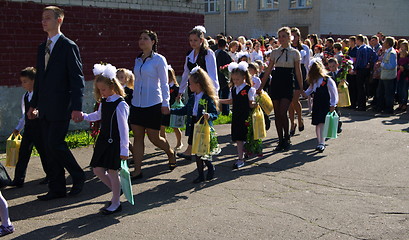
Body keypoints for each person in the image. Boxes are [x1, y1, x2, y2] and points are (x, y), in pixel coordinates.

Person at [28, 6, 85, 201]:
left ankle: (78, 175)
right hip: (44, 107)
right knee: (48, 147)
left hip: (62, 106)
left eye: (48, 18)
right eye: (42, 18)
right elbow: (40, 80)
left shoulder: (68, 46)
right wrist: (33, 104)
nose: (43, 21)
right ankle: (57, 188)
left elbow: (77, 79)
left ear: (59, 20)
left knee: (55, 144)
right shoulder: (41, 47)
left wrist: (77, 107)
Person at [80, 63, 129, 215]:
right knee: (97, 169)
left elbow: (124, 128)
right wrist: (85, 116)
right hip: (103, 140)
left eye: (104, 89)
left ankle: (116, 202)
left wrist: (124, 148)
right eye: (99, 90)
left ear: (113, 86)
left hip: (114, 142)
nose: (101, 92)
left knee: (113, 172)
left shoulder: (120, 104)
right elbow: (99, 116)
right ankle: (117, 190)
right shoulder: (104, 102)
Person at [129, 30, 176, 179]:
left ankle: (170, 152)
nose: (141, 41)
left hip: (153, 103)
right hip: (137, 103)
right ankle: (137, 169)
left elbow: (164, 83)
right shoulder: (138, 59)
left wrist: (165, 102)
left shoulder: (159, 59)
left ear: (153, 42)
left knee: (154, 138)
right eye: (140, 38)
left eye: (145, 38)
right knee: (137, 137)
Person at [177, 25, 219, 160]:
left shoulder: (208, 53)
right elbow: (185, 74)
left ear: (201, 40)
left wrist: (214, 92)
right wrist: (181, 90)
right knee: (193, 119)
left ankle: (203, 148)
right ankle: (191, 149)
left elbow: (213, 74)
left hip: (205, 91)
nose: (192, 43)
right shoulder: (189, 56)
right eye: (190, 40)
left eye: (195, 40)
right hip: (194, 90)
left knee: (202, 120)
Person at [171, 67, 219, 183]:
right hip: (193, 124)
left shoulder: (207, 98)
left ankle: (209, 168)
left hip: (203, 126)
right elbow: (185, 110)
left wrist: (209, 116)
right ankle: (201, 174)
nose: (189, 85)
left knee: (201, 151)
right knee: (197, 151)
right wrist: (171, 110)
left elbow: (215, 113)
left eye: (190, 83)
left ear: (198, 84)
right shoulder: (193, 97)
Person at [260, 27, 303, 151]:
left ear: (289, 38)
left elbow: (298, 71)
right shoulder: (274, 52)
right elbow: (268, 70)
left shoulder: (295, 53)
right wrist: (261, 87)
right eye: (279, 36)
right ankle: (280, 140)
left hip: (288, 82)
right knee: (277, 113)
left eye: (284, 36)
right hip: (277, 82)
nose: (281, 38)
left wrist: (300, 87)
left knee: (283, 111)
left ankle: (287, 137)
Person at [9, 67, 49, 188]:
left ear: (34, 81)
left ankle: (51, 175)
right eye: (22, 81)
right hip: (29, 130)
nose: (23, 84)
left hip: (40, 130)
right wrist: (18, 128)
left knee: (44, 153)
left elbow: (45, 111)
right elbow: (24, 114)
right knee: (23, 153)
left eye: (25, 81)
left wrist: (39, 113)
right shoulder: (25, 96)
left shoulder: (41, 95)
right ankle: (18, 179)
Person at [220, 62, 257, 169]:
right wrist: (219, 100)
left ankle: (241, 158)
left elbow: (251, 103)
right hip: (236, 116)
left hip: (245, 116)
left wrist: (257, 103)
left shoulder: (248, 89)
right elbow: (231, 101)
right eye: (234, 79)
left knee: (243, 137)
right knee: (238, 138)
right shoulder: (233, 89)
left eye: (237, 79)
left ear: (244, 77)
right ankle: (241, 156)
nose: (235, 81)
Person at [305, 60, 338, 152]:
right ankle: (320, 141)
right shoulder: (314, 80)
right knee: (318, 123)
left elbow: (333, 92)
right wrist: (303, 93)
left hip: (324, 103)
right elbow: (310, 90)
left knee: (322, 123)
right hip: (317, 103)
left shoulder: (327, 79)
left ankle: (321, 142)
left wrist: (333, 104)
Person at [289, 27, 308, 136]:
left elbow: (307, 63)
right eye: (291, 36)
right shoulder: (288, 48)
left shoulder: (304, 47)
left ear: (299, 37)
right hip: (290, 72)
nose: (293, 38)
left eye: (295, 36)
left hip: (300, 72)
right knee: (290, 102)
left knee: (295, 99)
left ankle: (300, 119)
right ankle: (292, 123)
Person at [160, 65, 183, 150]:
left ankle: (179, 143)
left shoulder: (175, 87)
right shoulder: (162, 86)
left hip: (173, 109)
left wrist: (179, 96)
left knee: (175, 127)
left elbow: (180, 95)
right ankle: (163, 144)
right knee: (162, 127)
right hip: (164, 108)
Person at [354, 34, 378, 111]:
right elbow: (375, 56)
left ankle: (361, 105)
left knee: (360, 87)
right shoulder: (369, 48)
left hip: (361, 69)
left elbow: (359, 61)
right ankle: (363, 104)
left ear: (359, 40)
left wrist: (355, 68)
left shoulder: (360, 49)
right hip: (367, 70)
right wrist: (370, 64)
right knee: (364, 86)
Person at [376, 36, 397, 114]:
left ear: (388, 44)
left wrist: (382, 64)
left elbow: (392, 65)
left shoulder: (392, 53)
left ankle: (389, 109)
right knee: (380, 92)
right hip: (384, 76)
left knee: (388, 94)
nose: (383, 43)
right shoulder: (386, 51)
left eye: (384, 42)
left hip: (389, 77)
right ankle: (381, 107)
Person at [215, 38, 233, 116]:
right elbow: (230, 65)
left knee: (217, 94)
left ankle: (217, 111)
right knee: (225, 94)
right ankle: (226, 112)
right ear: (225, 45)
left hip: (216, 76)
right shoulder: (225, 54)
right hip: (223, 77)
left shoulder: (214, 53)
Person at [396, 41, 409, 113]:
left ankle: (404, 104)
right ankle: (400, 103)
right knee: (399, 89)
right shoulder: (398, 54)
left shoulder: (407, 55)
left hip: (405, 74)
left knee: (404, 89)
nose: (402, 48)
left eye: (403, 46)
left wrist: (404, 67)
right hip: (399, 73)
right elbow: (397, 62)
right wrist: (398, 66)